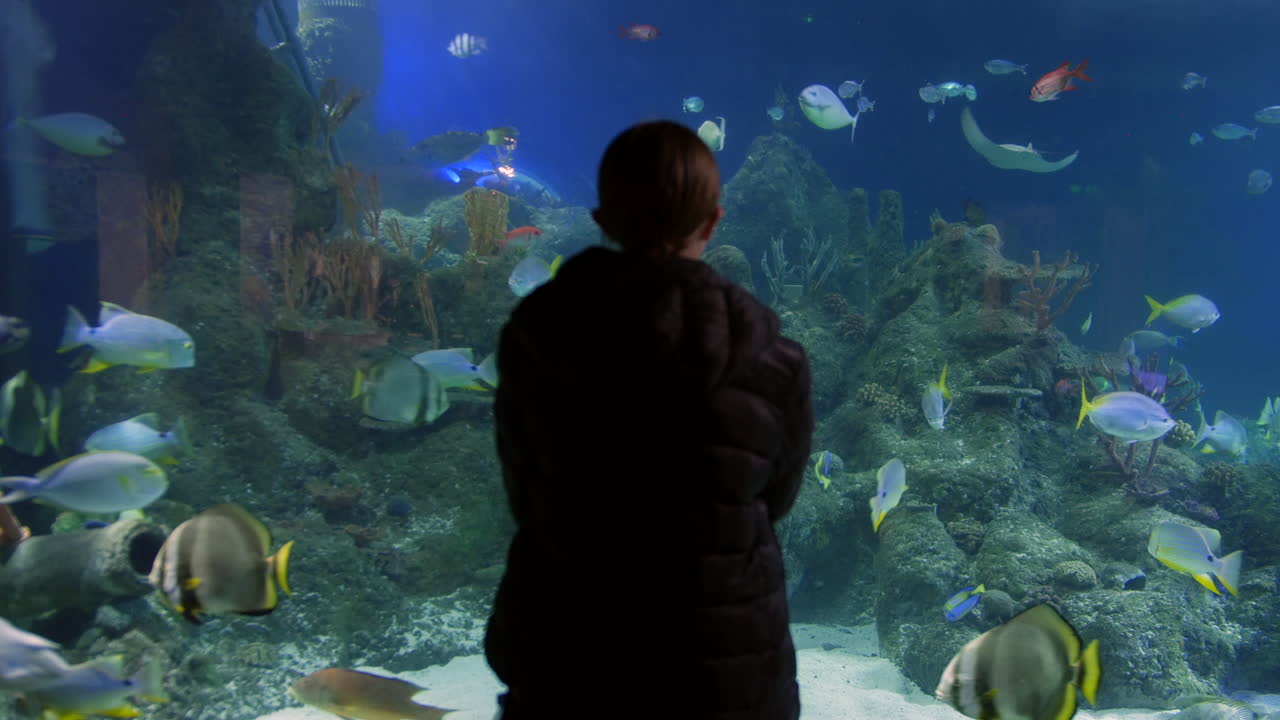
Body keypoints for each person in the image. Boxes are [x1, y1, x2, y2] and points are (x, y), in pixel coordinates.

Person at [485, 120, 814, 719]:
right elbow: (776, 499)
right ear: (714, 222)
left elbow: (524, 492)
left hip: (569, 659)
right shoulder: (776, 359)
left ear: (602, 218)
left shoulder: (538, 336)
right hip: (728, 672)